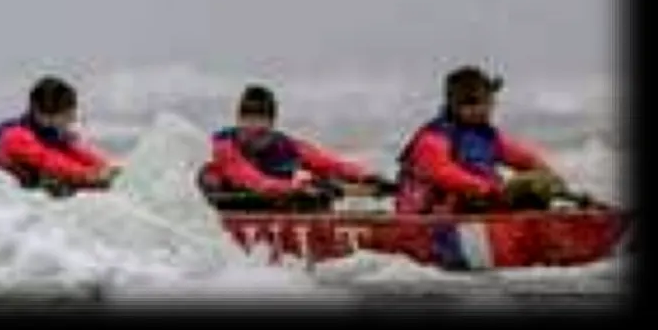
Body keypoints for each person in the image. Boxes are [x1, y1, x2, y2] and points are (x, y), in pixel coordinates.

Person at [394, 65, 567, 214]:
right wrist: (486, 188)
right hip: (430, 212)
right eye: (472, 104)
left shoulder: (488, 136)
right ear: (454, 105)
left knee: (535, 184)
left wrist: (552, 180)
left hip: (477, 203)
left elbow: (526, 159)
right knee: (505, 192)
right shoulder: (433, 137)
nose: (482, 110)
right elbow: (443, 172)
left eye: (486, 103)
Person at [198, 84, 395, 212]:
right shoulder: (224, 146)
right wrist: (296, 188)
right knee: (208, 176)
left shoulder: (286, 145)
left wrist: (368, 177)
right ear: (238, 120)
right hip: (234, 201)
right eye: (247, 120)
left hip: (276, 199)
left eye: (261, 121)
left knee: (321, 183)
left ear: (272, 123)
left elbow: (331, 164)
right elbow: (251, 179)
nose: (253, 127)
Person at [0, 75, 120, 197]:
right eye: (68, 114)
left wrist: (107, 166)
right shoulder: (16, 136)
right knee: (57, 179)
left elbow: (75, 153)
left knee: (87, 182)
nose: (73, 118)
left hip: (21, 188)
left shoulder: (50, 133)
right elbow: (48, 159)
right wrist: (89, 174)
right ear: (43, 116)